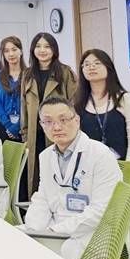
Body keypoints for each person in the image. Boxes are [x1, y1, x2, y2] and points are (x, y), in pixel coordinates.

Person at [24, 97, 120, 259]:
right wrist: (33, 229)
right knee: (17, 239)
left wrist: (55, 231)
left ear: (77, 121)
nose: (56, 127)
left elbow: (101, 210)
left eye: (63, 120)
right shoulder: (45, 156)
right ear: (42, 125)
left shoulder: (100, 155)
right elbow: (42, 198)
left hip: (93, 233)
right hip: (57, 228)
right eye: (48, 121)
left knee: (47, 256)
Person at [21, 32, 77, 199]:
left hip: (58, 132)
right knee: (36, 175)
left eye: (47, 46)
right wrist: (25, 134)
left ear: (54, 50)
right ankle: (36, 208)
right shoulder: (27, 74)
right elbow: (24, 106)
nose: (42, 50)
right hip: (35, 134)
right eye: (38, 46)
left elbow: (74, 103)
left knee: (58, 173)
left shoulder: (65, 72)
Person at [75, 49, 130, 163]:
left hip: (122, 165)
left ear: (108, 67)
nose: (91, 67)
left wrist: (128, 167)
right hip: (91, 167)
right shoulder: (78, 102)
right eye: (87, 64)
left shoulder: (124, 99)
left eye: (97, 63)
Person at [0, 36, 26, 142]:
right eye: (6, 51)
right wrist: (9, 126)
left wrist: (17, 126)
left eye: (14, 49)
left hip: (25, 126)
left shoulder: (29, 75)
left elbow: (31, 104)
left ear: (21, 51)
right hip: (2, 126)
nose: (11, 54)